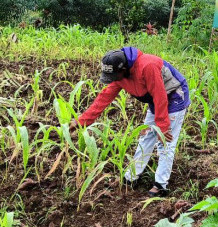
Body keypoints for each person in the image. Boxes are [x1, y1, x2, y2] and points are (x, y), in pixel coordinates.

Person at [71, 48, 190, 197]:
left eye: (115, 75)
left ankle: (161, 184)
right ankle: (132, 176)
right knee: (146, 137)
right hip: (155, 99)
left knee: (165, 142)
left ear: (124, 69)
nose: (114, 79)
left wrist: (163, 127)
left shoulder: (147, 66)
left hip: (174, 96)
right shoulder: (120, 77)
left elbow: (160, 96)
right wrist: (82, 121)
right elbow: (104, 98)